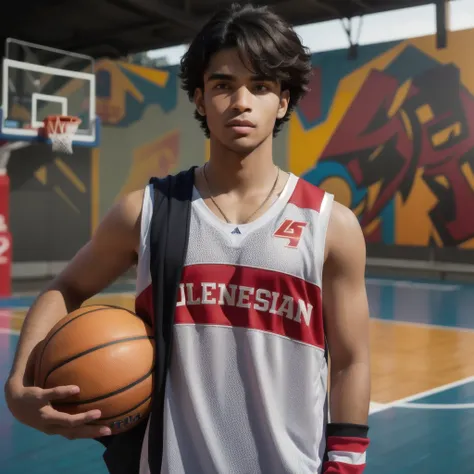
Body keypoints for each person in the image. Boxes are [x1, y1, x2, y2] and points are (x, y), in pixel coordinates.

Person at [4, 3, 371, 473]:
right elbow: (66, 287)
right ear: (199, 98)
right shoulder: (149, 210)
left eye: (260, 86)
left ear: (283, 101)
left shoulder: (330, 224)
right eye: (223, 85)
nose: (241, 101)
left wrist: (346, 464)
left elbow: (350, 362)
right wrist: (19, 386)